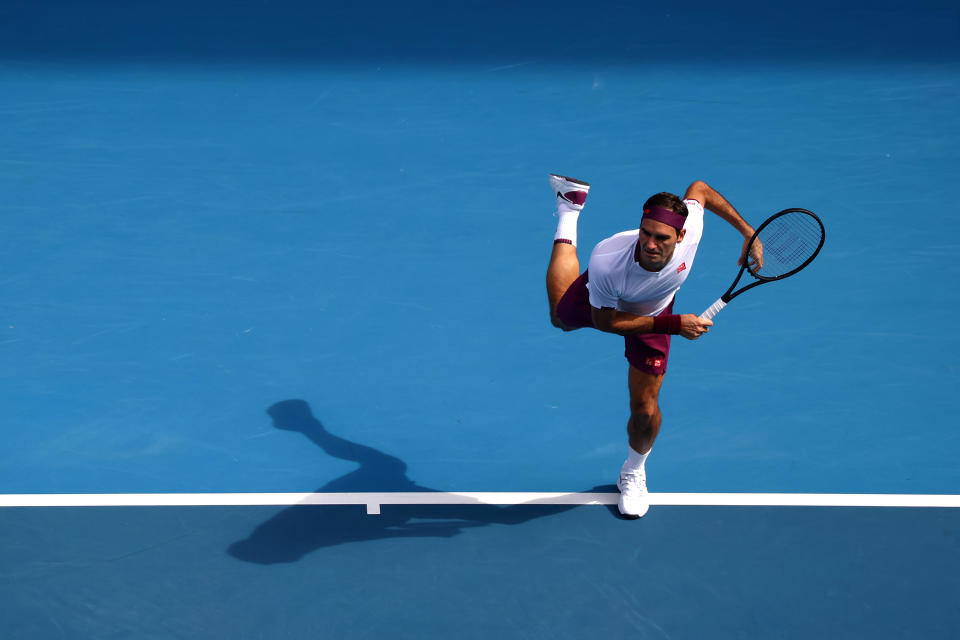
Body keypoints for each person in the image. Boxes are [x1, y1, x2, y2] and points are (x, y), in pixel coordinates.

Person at [544, 175, 761, 519]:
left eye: (661, 238)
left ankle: (633, 470)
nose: (650, 244)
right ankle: (569, 210)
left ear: (681, 235)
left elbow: (700, 189)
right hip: (615, 304)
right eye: (645, 233)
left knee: (644, 410)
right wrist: (674, 325)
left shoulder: (692, 234)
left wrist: (748, 233)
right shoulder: (607, 261)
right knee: (560, 317)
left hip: (655, 310)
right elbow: (606, 323)